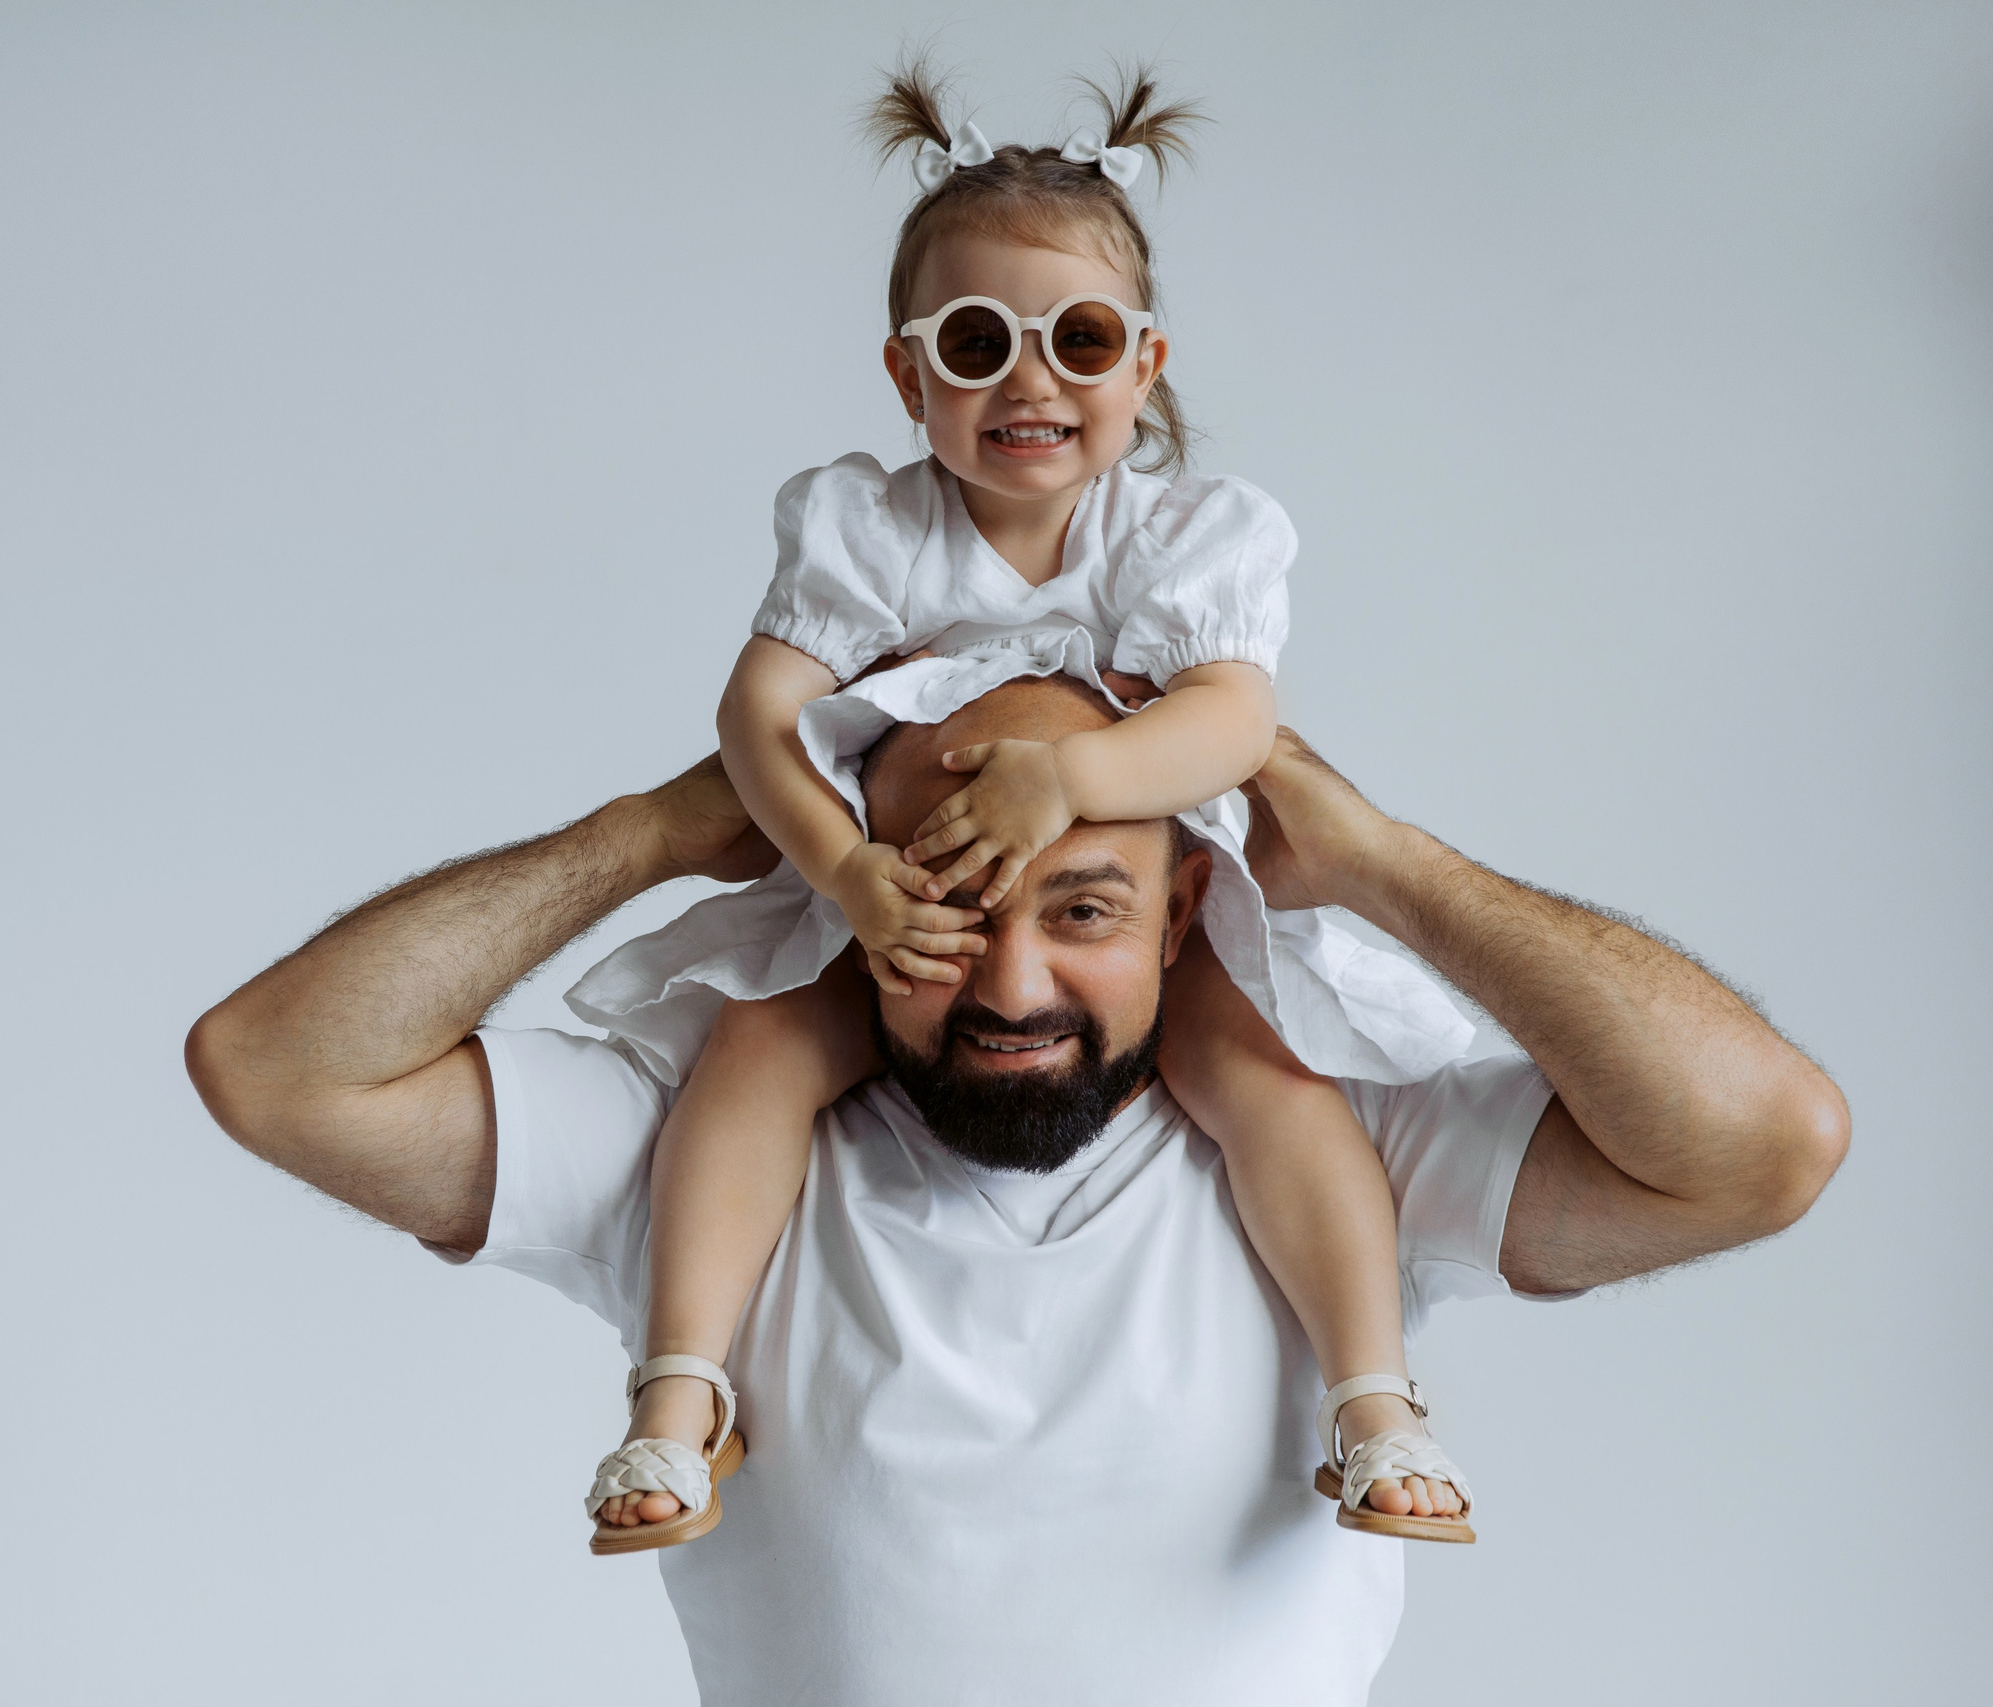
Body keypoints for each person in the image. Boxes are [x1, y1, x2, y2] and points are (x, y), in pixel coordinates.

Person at [184, 674, 1848, 1705]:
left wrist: (1395, 867)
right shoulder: (703, 1162)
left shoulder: (1343, 1158)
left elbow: (1762, 1144)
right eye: (949, 900)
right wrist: (656, 833)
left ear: (1190, 910)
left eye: (1087, 909)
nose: (1011, 981)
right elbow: (276, 1069)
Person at [563, 56, 1480, 1552]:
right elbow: (755, 717)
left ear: (1148, 367)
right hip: (907, 887)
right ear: (907, 373)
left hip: (1121, 911)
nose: (1030, 384)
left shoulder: (1177, 536)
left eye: (1082, 340)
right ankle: (678, 1391)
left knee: (1266, 1082)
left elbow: (1238, 718)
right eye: (978, 343)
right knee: (757, 1054)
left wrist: (1080, 776)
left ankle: (1374, 1399)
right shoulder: (873, 527)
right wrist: (847, 874)